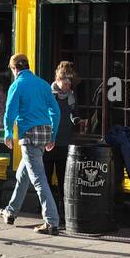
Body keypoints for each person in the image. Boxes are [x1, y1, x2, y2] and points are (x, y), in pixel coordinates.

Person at [0, 53, 61, 235]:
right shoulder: (42, 84)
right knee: (23, 174)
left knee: (38, 179)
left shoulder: (17, 85)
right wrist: (53, 135)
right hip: (43, 134)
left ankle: (51, 222)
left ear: (14, 69)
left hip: (28, 135)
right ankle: (10, 212)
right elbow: (55, 111)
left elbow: (9, 113)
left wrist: (8, 133)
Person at [49, 61, 84, 209]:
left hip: (65, 140)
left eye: (70, 83)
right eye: (66, 82)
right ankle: (46, 206)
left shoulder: (71, 95)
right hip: (50, 141)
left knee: (64, 177)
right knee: (46, 177)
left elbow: (74, 114)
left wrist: (78, 120)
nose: (68, 86)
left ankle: (62, 206)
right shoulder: (49, 95)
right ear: (58, 80)